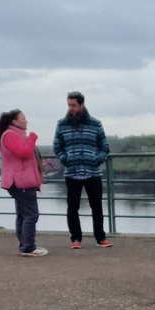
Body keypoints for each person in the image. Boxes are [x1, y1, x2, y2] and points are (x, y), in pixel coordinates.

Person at [53, 91, 113, 249]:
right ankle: (75, 239)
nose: (70, 108)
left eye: (73, 105)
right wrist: (65, 159)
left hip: (93, 172)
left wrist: (96, 159)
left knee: (97, 207)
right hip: (72, 173)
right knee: (72, 208)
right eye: (68, 105)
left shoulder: (95, 124)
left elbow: (105, 147)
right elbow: (57, 146)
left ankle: (100, 238)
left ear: (82, 105)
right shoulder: (62, 124)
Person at [0, 110, 48, 257]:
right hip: (21, 183)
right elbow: (23, 153)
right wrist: (32, 138)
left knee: (23, 215)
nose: (26, 121)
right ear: (14, 121)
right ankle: (28, 247)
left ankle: (24, 245)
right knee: (31, 215)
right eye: (23, 119)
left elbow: (23, 158)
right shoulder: (10, 135)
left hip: (21, 181)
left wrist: (39, 163)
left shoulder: (15, 135)